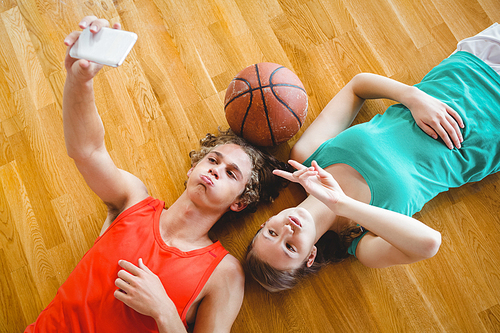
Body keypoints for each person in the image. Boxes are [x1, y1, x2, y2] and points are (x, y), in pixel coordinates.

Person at [25, 16, 288, 332]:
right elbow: (87, 150)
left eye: (231, 174)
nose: (216, 171)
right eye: (213, 160)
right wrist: (80, 79)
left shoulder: (224, 274)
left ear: (239, 202)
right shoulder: (132, 200)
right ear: (194, 168)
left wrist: (164, 312)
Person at [246, 23, 500, 292]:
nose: (287, 230)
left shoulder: (306, 156)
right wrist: (340, 204)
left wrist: (412, 97)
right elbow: (429, 243)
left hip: (471, 68)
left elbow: (358, 86)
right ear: (310, 256)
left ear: (265, 223)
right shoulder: (363, 243)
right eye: (290, 247)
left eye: (272, 233)